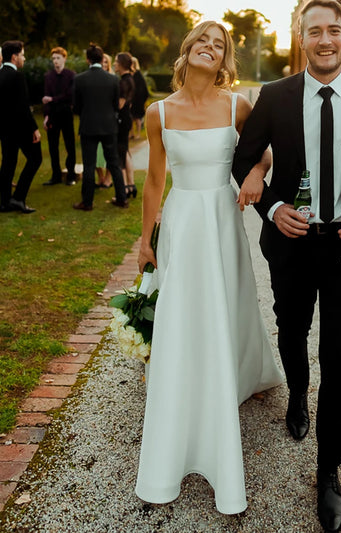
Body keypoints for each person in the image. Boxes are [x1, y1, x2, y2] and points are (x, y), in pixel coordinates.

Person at [233, 1, 341, 530]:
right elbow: (243, 160)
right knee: (291, 328)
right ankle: (298, 393)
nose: (325, 39)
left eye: (334, 30)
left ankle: (329, 471)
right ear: (301, 39)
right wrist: (272, 206)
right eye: (314, 31)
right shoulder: (275, 96)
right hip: (292, 241)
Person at [135, 21, 283, 514]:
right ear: (188, 49)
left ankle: (234, 376)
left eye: (219, 45)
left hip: (222, 218)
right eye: (203, 40)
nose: (210, 48)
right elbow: (155, 180)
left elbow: (262, 155)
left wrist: (258, 176)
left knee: (229, 302)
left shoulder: (237, 105)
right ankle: (183, 387)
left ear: (224, 60)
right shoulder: (158, 112)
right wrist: (146, 239)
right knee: (183, 311)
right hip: (182, 220)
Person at [73, 43, 128, 210]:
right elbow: (115, 105)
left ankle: (87, 202)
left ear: (87, 59)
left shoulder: (80, 79)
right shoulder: (113, 79)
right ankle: (121, 199)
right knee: (114, 163)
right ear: (101, 58)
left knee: (89, 165)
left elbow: (76, 107)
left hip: (88, 126)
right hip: (109, 126)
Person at [0, 40, 42, 213]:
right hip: (19, 128)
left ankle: (4, 202)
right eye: (22, 55)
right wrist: (34, 128)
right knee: (35, 158)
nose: (24, 58)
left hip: (4, 129)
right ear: (14, 56)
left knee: (8, 162)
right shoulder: (17, 76)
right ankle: (18, 198)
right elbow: (23, 106)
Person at [42, 46, 77, 186]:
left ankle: (71, 175)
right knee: (53, 146)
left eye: (58, 58)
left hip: (66, 114)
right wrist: (46, 116)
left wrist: (52, 99)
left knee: (70, 145)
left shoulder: (71, 75)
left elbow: (70, 96)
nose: (55, 61)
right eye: (53, 58)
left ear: (64, 59)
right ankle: (55, 175)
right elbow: (45, 97)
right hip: (52, 115)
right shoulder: (48, 76)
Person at [114, 52, 136, 198]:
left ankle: (124, 190)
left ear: (121, 64)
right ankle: (131, 185)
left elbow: (120, 104)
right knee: (125, 152)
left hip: (122, 120)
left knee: (120, 155)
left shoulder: (123, 82)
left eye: (116, 61)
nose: (114, 64)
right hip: (127, 118)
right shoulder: (131, 79)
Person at [95, 53, 113, 188]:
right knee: (95, 152)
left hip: (108, 121)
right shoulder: (93, 79)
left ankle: (108, 178)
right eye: (102, 62)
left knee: (108, 152)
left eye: (106, 62)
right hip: (95, 120)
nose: (104, 64)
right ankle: (100, 177)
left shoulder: (113, 79)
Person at [130, 56, 149, 139]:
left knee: (137, 118)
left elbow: (143, 90)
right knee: (130, 118)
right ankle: (131, 133)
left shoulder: (138, 75)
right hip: (131, 100)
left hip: (138, 101)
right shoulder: (130, 74)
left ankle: (138, 133)